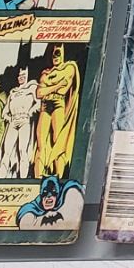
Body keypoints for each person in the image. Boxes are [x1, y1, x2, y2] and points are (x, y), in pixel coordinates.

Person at [34, 43, 82, 178]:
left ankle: (59, 177)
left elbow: (63, 89)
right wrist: (57, 85)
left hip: (58, 104)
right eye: (53, 53)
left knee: (58, 140)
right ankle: (38, 178)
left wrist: (49, 87)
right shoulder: (46, 73)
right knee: (41, 142)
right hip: (45, 106)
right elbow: (39, 93)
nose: (55, 56)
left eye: (58, 53)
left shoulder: (69, 67)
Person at [0, 65, 40, 178]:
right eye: (19, 75)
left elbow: (38, 102)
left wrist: (30, 112)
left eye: (23, 75)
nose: (21, 77)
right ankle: (1, 178)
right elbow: (5, 111)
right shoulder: (13, 92)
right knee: (7, 151)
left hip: (24, 121)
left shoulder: (31, 88)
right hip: (13, 122)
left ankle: (23, 178)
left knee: (22, 150)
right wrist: (9, 118)